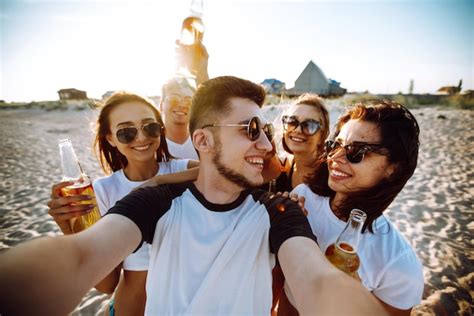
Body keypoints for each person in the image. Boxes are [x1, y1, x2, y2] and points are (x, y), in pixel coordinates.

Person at [0, 76, 387, 316]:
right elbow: (82, 255)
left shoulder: (279, 211)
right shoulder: (156, 202)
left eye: (266, 128)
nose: (268, 143)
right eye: (251, 128)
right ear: (201, 139)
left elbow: (316, 281)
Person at [47, 91, 198, 315]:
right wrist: (70, 229)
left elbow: (225, 172)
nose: (141, 137)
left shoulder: (183, 170)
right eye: (126, 132)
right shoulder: (104, 190)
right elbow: (106, 284)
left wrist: (157, 181)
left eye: (150, 127)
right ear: (110, 138)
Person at [279, 100, 424, 315]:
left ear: (393, 168)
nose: (335, 157)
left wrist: (354, 295)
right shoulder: (302, 199)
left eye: (356, 151)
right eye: (335, 145)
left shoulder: (399, 264)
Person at [160, 41, 210, 160]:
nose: (182, 104)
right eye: (174, 98)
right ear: (161, 106)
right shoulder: (153, 145)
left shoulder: (204, 141)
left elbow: (211, 102)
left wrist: (201, 69)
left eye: (189, 100)